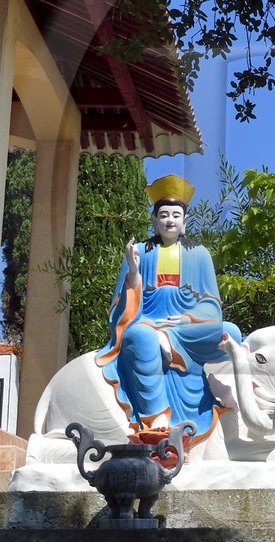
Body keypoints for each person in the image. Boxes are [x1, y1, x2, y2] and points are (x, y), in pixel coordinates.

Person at [96, 174, 238, 447]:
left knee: (231, 332)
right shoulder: (140, 251)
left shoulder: (199, 254)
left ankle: (231, 396)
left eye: (176, 214)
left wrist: (188, 317)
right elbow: (120, 307)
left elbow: (211, 304)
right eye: (163, 214)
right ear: (154, 220)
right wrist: (134, 272)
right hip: (148, 322)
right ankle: (156, 413)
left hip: (185, 328)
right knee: (140, 338)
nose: (169, 219)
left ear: (185, 221)